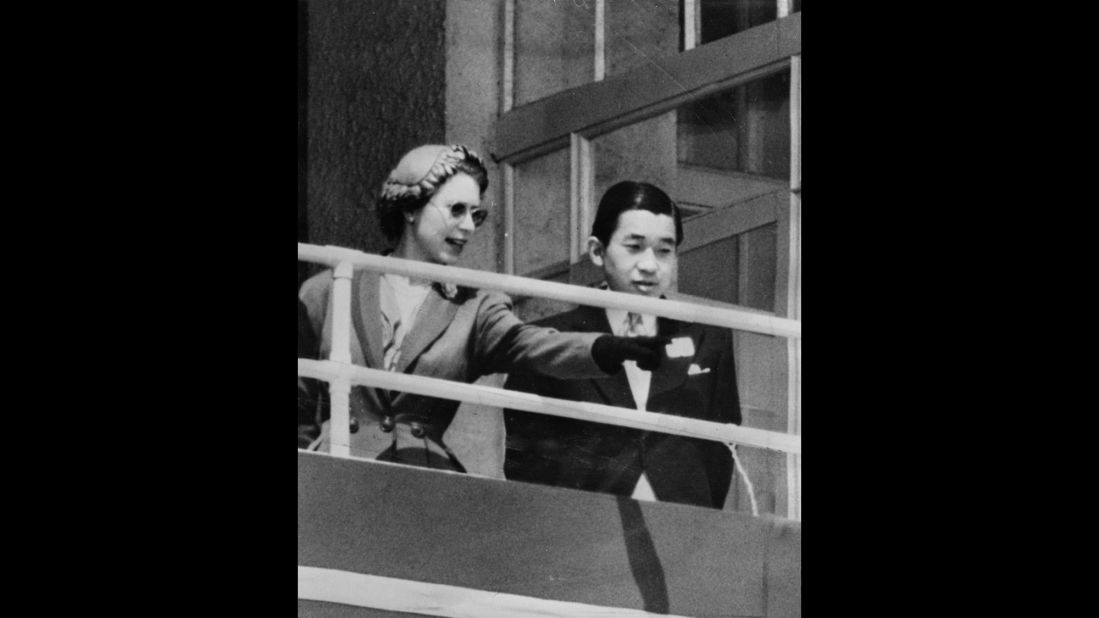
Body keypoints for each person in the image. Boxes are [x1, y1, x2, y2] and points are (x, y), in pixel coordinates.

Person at [298, 144, 668, 471]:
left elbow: (528, 344)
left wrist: (602, 348)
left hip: (421, 477)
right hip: (334, 470)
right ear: (410, 208)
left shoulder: (474, 305)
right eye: (456, 210)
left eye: (476, 215)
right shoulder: (330, 289)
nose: (468, 226)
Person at [503, 181, 742, 509]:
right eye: (634, 247)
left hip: (683, 525)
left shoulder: (708, 339)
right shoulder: (549, 341)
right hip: (582, 528)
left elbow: (723, 448)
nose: (650, 265)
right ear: (598, 251)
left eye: (664, 250)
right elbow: (525, 459)